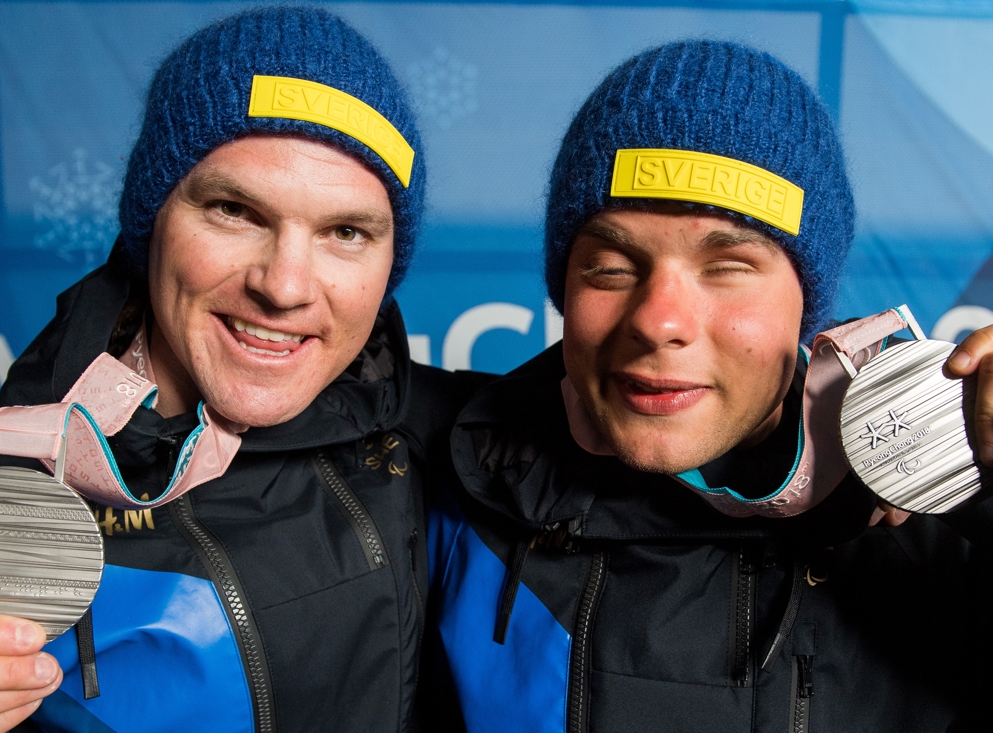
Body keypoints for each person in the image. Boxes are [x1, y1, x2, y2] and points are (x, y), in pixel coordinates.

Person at [0, 7, 475, 732]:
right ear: (153, 220)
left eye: (346, 231)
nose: (286, 285)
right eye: (235, 210)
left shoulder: (453, 445)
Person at [425, 41, 993, 732]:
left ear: (806, 307)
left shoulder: (947, 533)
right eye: (609, 267)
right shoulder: (434, 480)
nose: (659, 320)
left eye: (727, 266)